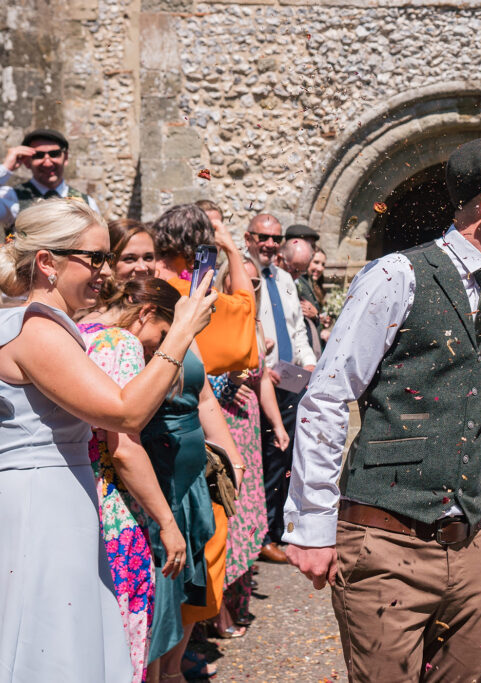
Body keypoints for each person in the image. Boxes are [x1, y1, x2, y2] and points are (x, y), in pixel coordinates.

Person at [282, 131, 481, 680]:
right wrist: (312, 522)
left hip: (471, 550)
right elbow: (329, 396)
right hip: (383, 542)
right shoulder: (395, 276)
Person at [0, 199, 215, 682]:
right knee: (49, 644)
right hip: (45, 504)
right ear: (47, 263)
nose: (105, 271)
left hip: (54, 495)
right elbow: (125, 414)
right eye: (94, 258)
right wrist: (181, 332)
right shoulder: (37, 330)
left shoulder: (29, 323)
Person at [147, 204, 250, 680]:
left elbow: (205, 382)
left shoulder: (171, 295)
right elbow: (244, 331)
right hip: (169, 455)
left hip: (188, 445)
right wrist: (229, 245)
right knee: (185, 568)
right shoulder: (186, 298)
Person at [78, 277, 191, 682]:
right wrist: (167, 522)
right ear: (145, 312)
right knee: (123, 632)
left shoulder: (76, 331)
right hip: (112, 507)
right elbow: (123, 447)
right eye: (161, 336)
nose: (156, 349)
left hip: (75, 496)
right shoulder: (121, 344)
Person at [209, 257, 289, 639]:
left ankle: (235, 602)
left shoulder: (254, 325)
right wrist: (226, 384)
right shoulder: (208, 317)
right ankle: (218, 609)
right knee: (229, 514)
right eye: (245, 283)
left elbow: (263, 382)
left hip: (250, 430)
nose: (252, 289)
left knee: (251, 513)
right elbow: (199, 379)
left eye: (257, 284)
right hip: (220, 423)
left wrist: (275, 425)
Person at [244, 213, 316, 564]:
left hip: (290, 381)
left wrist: (309, 363)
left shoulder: (286, 278)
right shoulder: (243, 275)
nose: (270, 244)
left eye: (275, 238)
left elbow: (298, 330)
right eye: (263, 237)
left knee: (286, 459)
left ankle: (280, 529)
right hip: (259, 381)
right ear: (248, 238)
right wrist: (258, 365)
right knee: (264, 459)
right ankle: (264, 534)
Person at [0, 129, 100, 234]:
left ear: (65, 157)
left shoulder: (87, 203)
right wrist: (6, 167)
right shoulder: (11, 198)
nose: (47, 163)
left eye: (54, 154)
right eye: (39, 155)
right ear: (27, 162)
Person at [296, 247, 328, 358]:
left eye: (323, 264)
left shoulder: (316, 286)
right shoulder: (300, 283)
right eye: (316, 262)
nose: (320, 268)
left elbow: (316, 312)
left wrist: (323, 319)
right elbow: (306, 311)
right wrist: (317, 315)